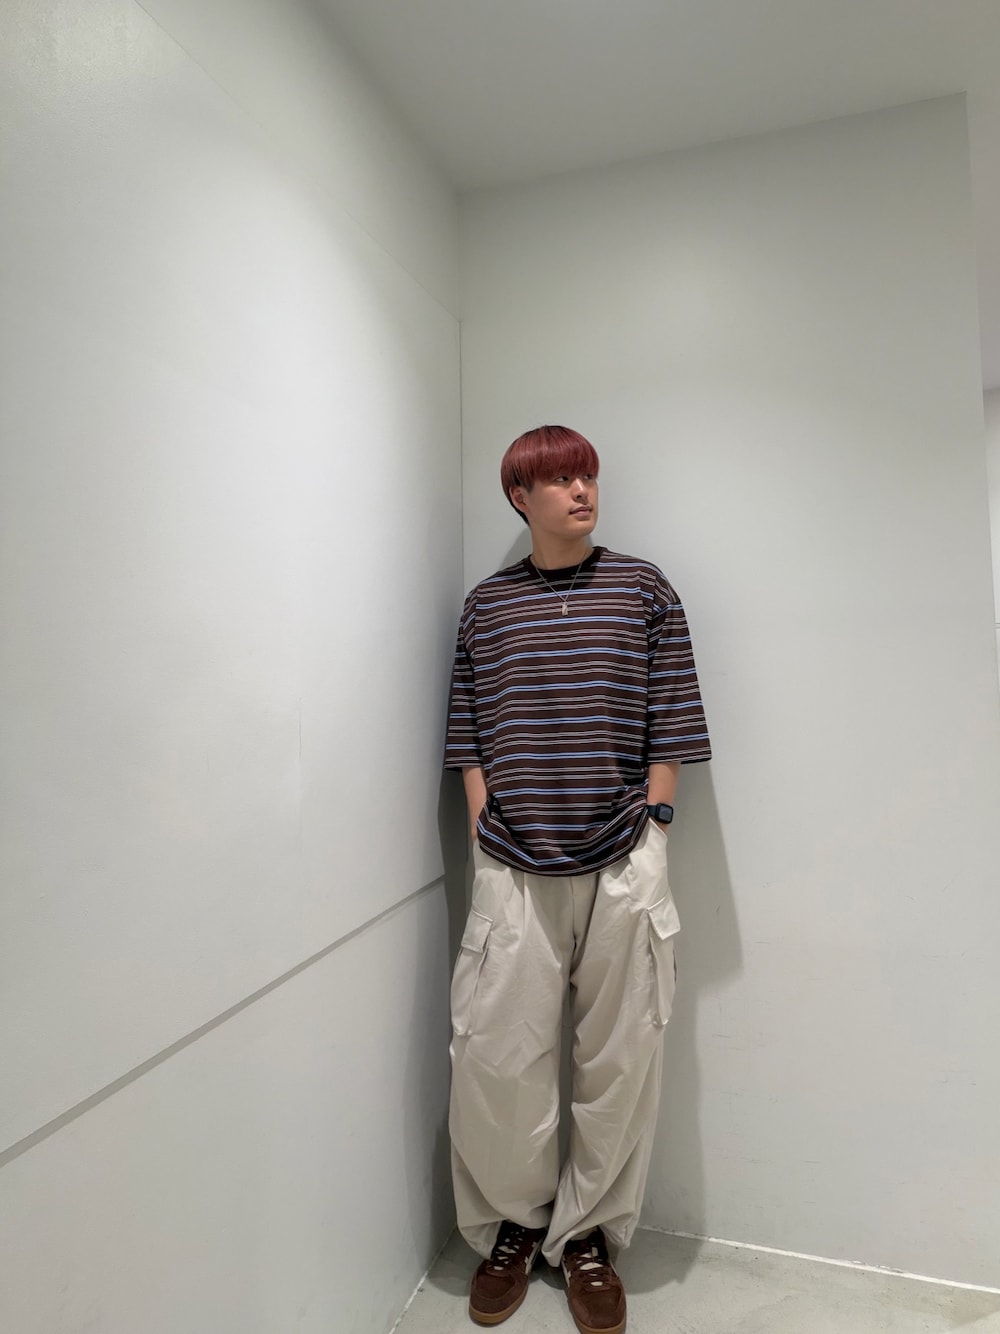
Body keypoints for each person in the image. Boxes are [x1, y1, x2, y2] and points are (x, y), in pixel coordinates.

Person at [444, 425, 711, 1333]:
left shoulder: (643, 589)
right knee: (496, 1055)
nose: (581, 491)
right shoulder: (487, 608)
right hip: (512, 858)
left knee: (622, 1057)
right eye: (559, 479)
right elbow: (468, 729)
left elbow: (673, 712)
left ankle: (588, 1236)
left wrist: (657, 822)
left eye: (587, 474)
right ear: (520, 497)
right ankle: (515, 1227)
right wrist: (483, 822)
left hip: (625, 852)